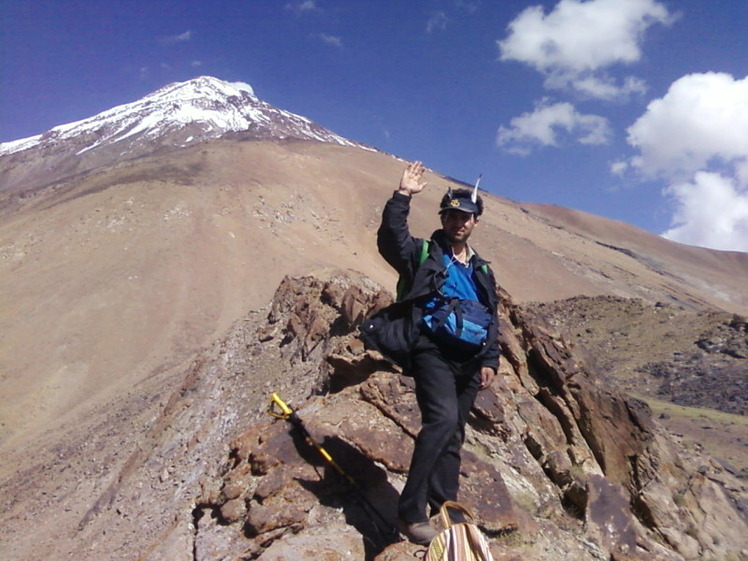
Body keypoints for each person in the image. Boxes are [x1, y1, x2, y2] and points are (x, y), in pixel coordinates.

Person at [376, 160, 500, 544]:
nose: (459, 222)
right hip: (432, 350)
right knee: (442, 420)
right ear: (444, 218)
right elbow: (390, 240)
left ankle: (444, 506)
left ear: (476, 221)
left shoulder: (482, 269)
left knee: (454, 434)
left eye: (466, 217)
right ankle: (411, 515)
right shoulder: (425, 253)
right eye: (452, 216)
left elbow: (492, 315)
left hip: (469, 359)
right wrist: (402, 195)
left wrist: (490, 359)